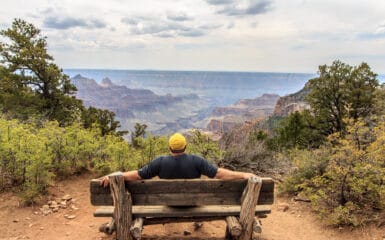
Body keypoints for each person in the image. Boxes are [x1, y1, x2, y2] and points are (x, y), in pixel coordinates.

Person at [101, 132, 255, 187]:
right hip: (193, 203)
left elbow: (136, 175)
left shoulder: (159, 162)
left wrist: (116, 175)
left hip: (167, 203)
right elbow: (220, 174)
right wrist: (243, 175)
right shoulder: (197, 160)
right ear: (186, 146)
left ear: (169, 148)